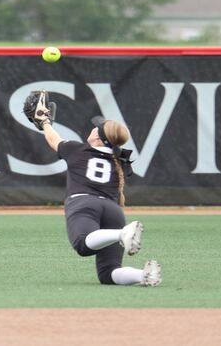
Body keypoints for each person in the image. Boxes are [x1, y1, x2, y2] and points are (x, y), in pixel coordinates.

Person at [35, 106, 161, 286]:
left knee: (82, 244)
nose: (93, 129)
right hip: (113, 210)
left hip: (84, 203)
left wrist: (44, 122)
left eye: (96, 128)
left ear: (98, 138)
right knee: (108, 273)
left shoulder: (77, 150)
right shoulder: (118, 162)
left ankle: (121, 233)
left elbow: (53, 139)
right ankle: (144, 275)